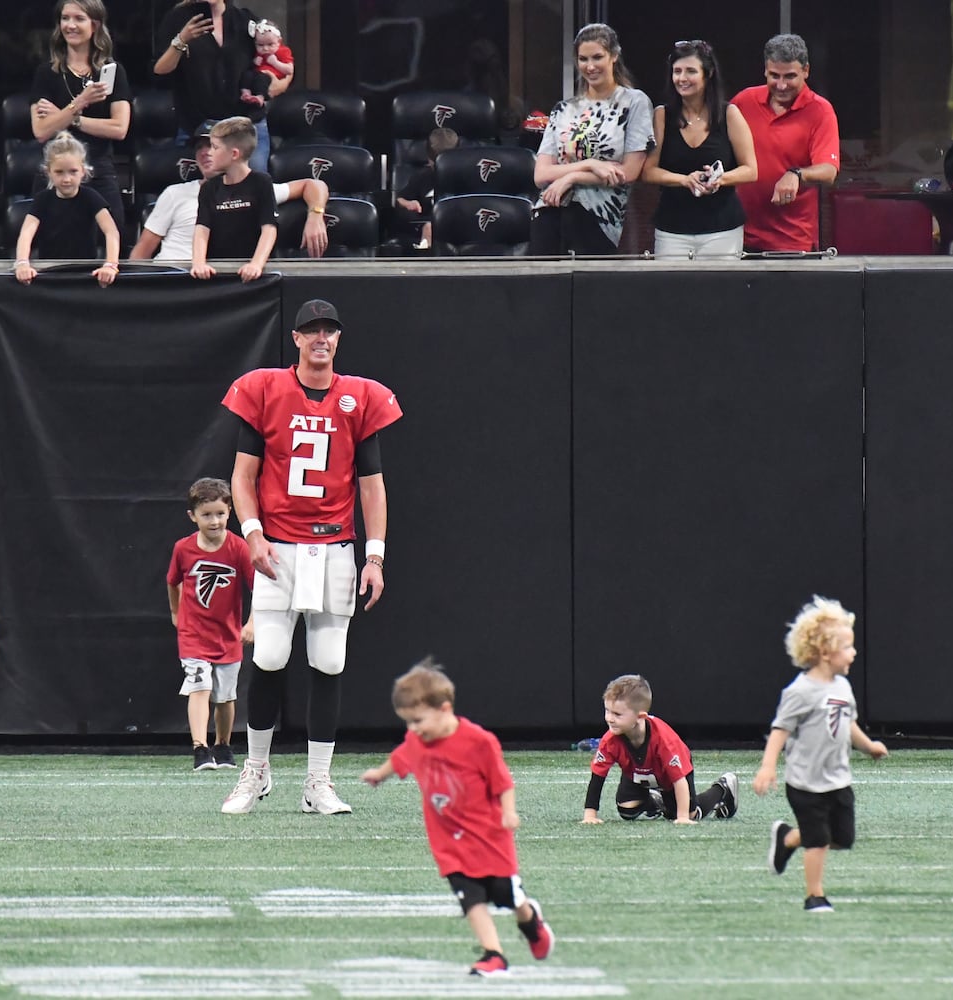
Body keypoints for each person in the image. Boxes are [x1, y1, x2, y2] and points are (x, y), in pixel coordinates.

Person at [219, 298, 402, 816]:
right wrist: (251, 533)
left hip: (334, 548)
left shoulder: (360, 396)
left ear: (338, 339)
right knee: (270, 656)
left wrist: (376, 556)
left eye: (330, 331)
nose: (321, 338)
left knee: (329, 661)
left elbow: (373, 486)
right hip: (279, 546)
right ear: (295, 339)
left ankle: (316, 782)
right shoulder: (264, 388)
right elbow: (242, 475)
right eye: (311, 331)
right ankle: (255, 772)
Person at [361, 659, 555, 977]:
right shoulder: (417, 740)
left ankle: (530, 920)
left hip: (489, 837)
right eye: (407, 723)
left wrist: (509, 812)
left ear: (445, 709)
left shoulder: (479, 742)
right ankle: (494, 954)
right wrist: (380, 775)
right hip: (449, 842)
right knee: (471, 898)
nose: (413, 730)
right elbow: (401, 757)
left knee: (506, 897)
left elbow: (503, 782)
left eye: (418, 721)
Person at [752, 596, 887, 913]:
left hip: (837, 779)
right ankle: (814, 896)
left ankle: (787, 839)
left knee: (843, 838)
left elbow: (848, 723)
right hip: (805, 783)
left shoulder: (842, 686)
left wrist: (868, 746)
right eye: (848, 647)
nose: (854, 653)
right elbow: (780, 730)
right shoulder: (800, 691)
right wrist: (767, 766)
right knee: (819, 841)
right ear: (825, 653)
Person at [529, 23, 654, 256]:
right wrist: (590, 164)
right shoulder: (563, 109)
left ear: (614, 56)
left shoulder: (634, 102)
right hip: (550, 211)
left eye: (597, 57)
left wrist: (572, 177)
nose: (590, 66)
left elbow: (627, 173)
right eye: (583, 59)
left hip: (600, 220)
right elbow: (541, 175)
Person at [130, 121, 329, 261]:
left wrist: (315, 215)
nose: (205, 152)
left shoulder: (257, 187)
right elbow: (141, 253)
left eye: (212, 146)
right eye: (200, 146)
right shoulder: (174, 193)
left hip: (215, 281)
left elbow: (313, 185)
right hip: (171, 275)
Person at [167, 477, 253, 771]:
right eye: (206, 515)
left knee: (226, 696)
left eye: (220, 513)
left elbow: (259, 588)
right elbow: (173, 582)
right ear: (193, 517)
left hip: (227, 635)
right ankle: (200, 748)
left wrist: (251, 623)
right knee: (199, 686)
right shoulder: (183, 549)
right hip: (193, 635)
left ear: (230, 512)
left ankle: (223, 745)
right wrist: (176, 613)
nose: (214, 521)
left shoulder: (240, 548)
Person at [643, 40, 757, 258]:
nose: (682, 78)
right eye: (677, 71)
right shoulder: (661, 116)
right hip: (672, 229)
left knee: (718, 291)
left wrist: (720, 179)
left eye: (690, 71)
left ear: (709, 73)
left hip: (722, 228)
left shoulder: (729, 114)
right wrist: (684, 180)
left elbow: (751, 170)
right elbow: (648, 171)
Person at [30, 0, 133, 234]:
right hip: (56, 173)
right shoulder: (47, 73)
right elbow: (41, 130)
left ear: (94, 25)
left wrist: (68, 117)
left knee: (111, 238)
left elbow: (119, 128)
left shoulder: (112, 71)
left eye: (79, 19)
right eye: (65, 18)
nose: (70, 25)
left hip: (98, 170)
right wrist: (80, 103)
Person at [580, 674, 739, 825]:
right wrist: (590, 813)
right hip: (637, 772)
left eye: (617, 714)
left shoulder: (663, 740)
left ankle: (722, 789)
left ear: (640, 717)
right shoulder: (610, 740)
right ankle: (658, 801)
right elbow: (598, 776)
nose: (609, 718)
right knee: (627, 810)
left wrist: (682, 817)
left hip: (671, 776)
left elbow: (678, 779)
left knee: (689, 814)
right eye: (607, 710)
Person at [732, 33, 840, 252]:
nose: (781, 85)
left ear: (806, 71)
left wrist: (797, 174)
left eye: (789, 76)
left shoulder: (820, 110)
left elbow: (829, 171)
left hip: (792, 241)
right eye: (774, 75)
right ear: (765, 70)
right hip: (737, 234)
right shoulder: (744, 101)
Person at [154, 1, 287, 173]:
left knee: (251, 192)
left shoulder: (246, 21)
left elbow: (282, 60)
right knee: (199, 194)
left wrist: (280, 84)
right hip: (198, 126)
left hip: (245, 126)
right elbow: (159, 71)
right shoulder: (178, 19)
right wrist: (181, 40)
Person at [13, 131, 120, 286]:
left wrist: (111, 265)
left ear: (83, 171)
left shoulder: (91, 197)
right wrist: (22, 263)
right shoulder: (43, 199)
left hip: (85, 275)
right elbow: (26, 233)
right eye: (59, 172)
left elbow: (111, 231)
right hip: (50, 274)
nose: (67, 179)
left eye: (73, 171)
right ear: (48, 172)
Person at [189, 117, 277, 282]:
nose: (209, 152)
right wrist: (199, 263)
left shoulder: (261, 182)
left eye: (215, 147)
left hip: (253, 275)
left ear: (234, 154)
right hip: (217, 273)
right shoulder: (209, 188)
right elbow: (201, 229)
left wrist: (256, 264)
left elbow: (269, 228)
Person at [395, 127, 459, 250]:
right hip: (426, 229)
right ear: (429, 160)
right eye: (436, 165)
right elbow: (398, 200)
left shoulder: (467, 178)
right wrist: (408, 203)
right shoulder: (422, 177)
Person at [240, 19, 293, 109]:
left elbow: (289, 70)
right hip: (257, 75)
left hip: (271, 78)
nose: (265, 48)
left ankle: (260, 97)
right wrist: (254, 62)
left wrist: (275, 63)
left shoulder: (283, 51)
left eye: (270, 44)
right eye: (260, 45)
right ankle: (246, 93)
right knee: (247, 75)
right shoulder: (258, 53)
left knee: (262, 79)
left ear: (279, 41)